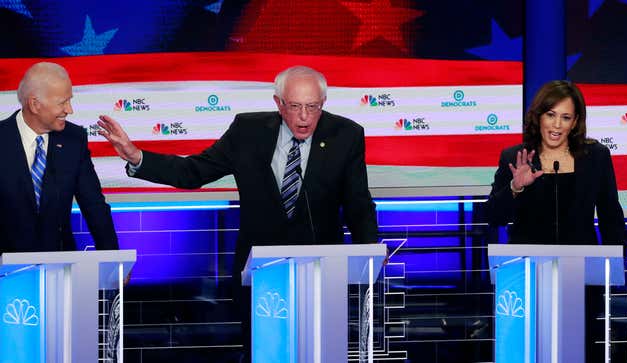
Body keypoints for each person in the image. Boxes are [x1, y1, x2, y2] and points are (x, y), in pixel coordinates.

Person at [97, 65, 378, 362]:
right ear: (278, 103)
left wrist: (370, 254)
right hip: (259, 274)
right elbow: (193, 172)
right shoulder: (248, 131)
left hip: (322, 271)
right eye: (295, 107)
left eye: (313, 107)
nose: (305, 117)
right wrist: (136, 156)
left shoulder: (345, 135)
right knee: (264, 351)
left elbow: (357, 203)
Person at [486, 80, 624, 245]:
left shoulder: (595, 156)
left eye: (565, 117)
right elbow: (493, 217)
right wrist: (515, 188)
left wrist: (616, 264)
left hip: (580, 264)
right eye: (550, 115)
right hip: (527, 264)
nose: (557, 125)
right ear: (539, 117)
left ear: (574, 122)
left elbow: (611, 218)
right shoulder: (515, 157)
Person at [0, 62, 119, 253]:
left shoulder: (74, 139)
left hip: (60, 265)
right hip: (6, 271)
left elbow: (94, 204)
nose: (69, 110)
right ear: (35, 104)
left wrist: (112, 255)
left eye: (69, 101)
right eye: (62, 102)